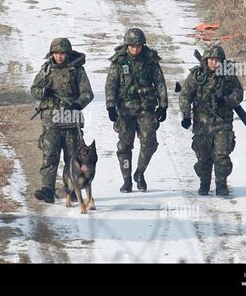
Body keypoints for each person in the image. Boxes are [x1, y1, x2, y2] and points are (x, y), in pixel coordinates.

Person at [30, 38, 94, 203]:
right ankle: (48, 190)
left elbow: (87, 93)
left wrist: (77, 104)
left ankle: (72, 190)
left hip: (71, 121)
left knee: (72, 158)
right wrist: (43, 92)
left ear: (68, 54)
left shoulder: (77, 71)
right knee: (50, 155)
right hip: (51, 122)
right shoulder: (46, 69)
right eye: (56, 53)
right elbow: (34, 89)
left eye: (62, 53)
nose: (59, 57)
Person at [105, 28, 168, 193]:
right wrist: (110, 106)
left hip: (146, 108)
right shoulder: (119, 61)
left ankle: (139, 173)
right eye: (132, 46)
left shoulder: (150, 60)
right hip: (125, 110)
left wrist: (163, 105)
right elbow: (111, 85)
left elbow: (160, 83)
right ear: (127, 45)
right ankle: (126, 180)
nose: (135, 49)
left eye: (138, 45)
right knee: (125, 146)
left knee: (149, 142)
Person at [179, 45, 243, 196]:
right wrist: (186, 115)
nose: (214, 63)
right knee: (203, 157)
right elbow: (185, 95)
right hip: (201, 124)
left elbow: (239, 94)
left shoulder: (228, 75)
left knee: (221, 155)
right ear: (206, 60)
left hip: (223, 123)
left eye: (218, 60)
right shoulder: (197, 75)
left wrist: (226, 100)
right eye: (211, 59)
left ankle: (221, 185)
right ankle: (204, 184)